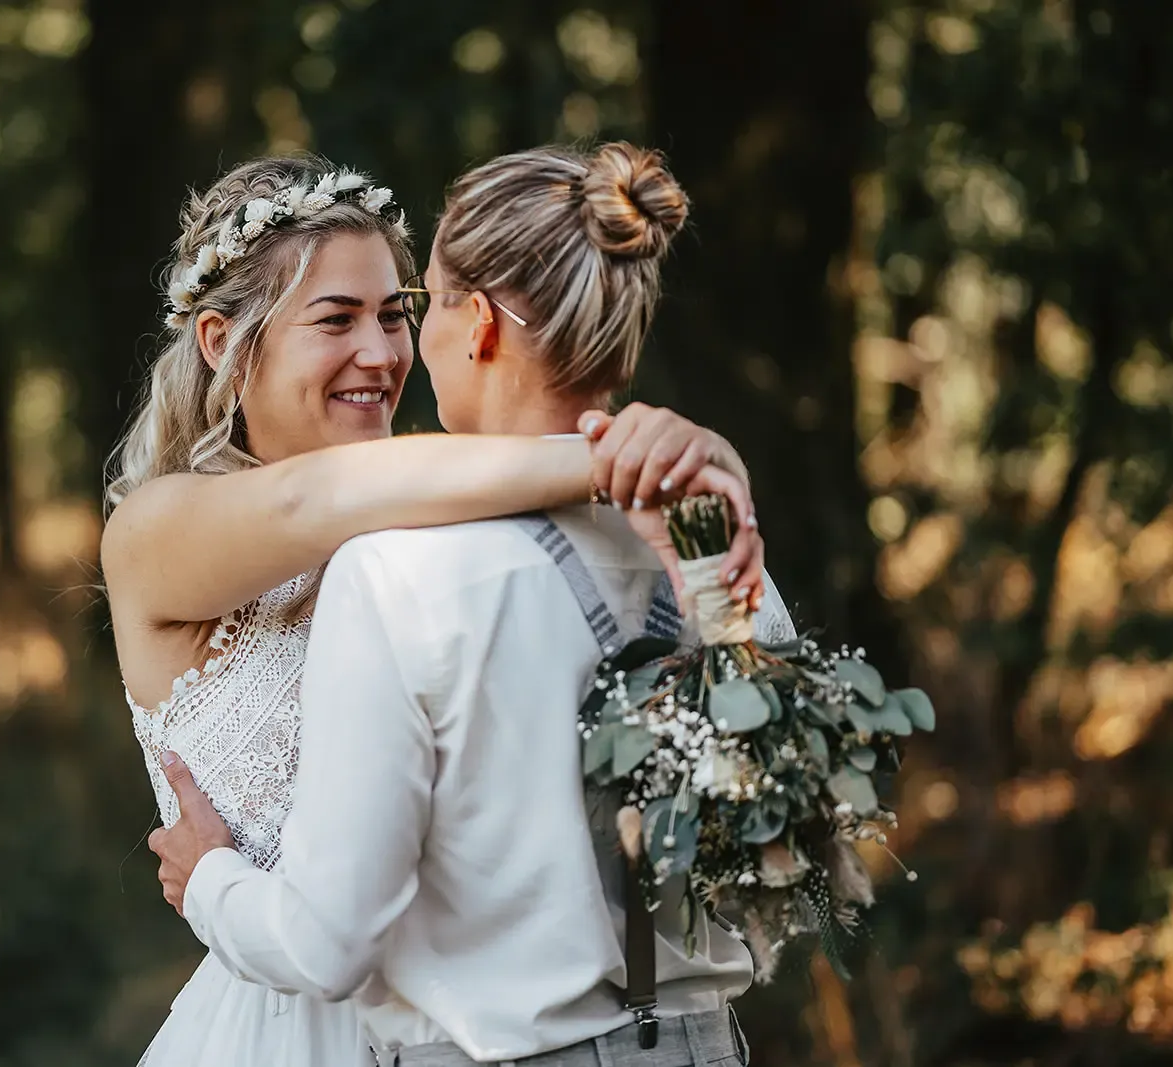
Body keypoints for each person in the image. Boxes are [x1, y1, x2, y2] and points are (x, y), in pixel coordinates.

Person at [103, 153, 767, 1067]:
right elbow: (312, 504)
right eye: (335, 320)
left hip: (459, 1027)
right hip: (287, 1031)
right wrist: (631, 462)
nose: (381, 353)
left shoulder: (431, 516)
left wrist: (689, 455)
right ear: (221, 340)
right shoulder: (157, 527)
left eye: (398, 313)